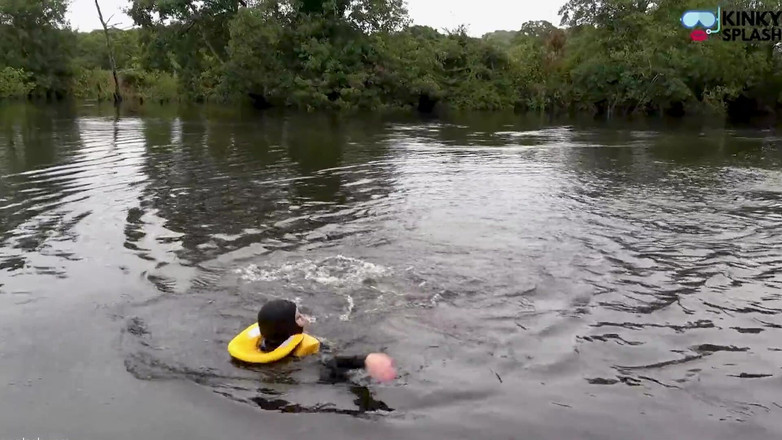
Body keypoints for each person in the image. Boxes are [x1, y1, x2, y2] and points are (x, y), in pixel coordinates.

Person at [228, 299, 396, 383]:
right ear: (291, 328)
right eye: (299, 317)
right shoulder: (311, 348)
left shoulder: (251, 355)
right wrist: (365, 360)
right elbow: (331, 362)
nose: (306, 318)